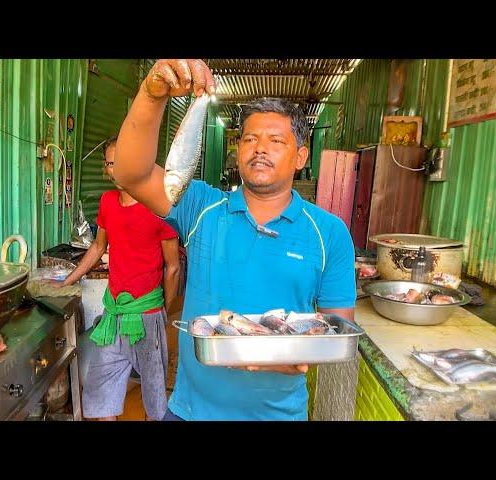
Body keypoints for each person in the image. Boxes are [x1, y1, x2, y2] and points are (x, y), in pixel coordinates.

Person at [111, 59, 356, 421]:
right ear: (237, 150)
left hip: (279, 416)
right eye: (250, 139)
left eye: (276, 141)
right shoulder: (200, 207)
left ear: (300, 157)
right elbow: (132, 173)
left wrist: (294, 356)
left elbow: (336, 329)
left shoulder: (329, 233)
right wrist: (151, 93)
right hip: (190, 411)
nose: (260, 148)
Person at [54, 135, 181, 421]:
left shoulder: (159, 207)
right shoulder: (108, 201)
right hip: (113, 315)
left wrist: (161, 311)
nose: (116, 171)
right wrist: (67, 280)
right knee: (101, 396)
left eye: (121, 163)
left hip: (147, 316)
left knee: (154, 399)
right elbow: (98, 247)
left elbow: (172, 267)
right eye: (110, 164)